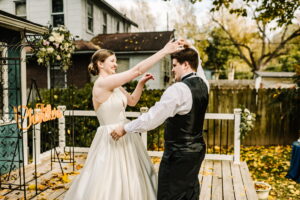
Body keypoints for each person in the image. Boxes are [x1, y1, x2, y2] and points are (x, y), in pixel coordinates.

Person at [63, 39, 184, 200]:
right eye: (112, 61)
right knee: (109, 180)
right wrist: (164, 51)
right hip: (110, 137)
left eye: (116, 62)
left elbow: (133, 101)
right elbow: (137, 69)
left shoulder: (115, 85)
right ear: (100, 64)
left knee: (132, 177)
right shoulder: (102, 85)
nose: (115, 65)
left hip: (126, 135)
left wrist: (140, 84)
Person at [111, 45, 209, 200]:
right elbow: (199, 64)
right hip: (197, 150)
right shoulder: (204, 84)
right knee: (189, 193)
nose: (172, 70)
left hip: (178, 153)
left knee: (168, 195)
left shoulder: (178, 89)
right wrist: (190, 46)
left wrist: (125, 128)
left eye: (175, 65)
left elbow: (152, 118)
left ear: (186, 65)